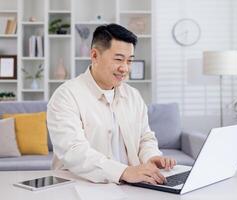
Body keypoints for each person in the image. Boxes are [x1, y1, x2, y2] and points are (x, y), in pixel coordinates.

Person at [47, 24, 176, 185]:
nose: (125, 68)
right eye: (119, 59)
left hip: (131, 187)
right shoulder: (66, 96)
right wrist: (124, 172)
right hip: (81, 186)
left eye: (129, 61)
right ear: (94, 56)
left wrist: (151, 157)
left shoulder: (133, 96)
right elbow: (74, 151)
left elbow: (145, 137)